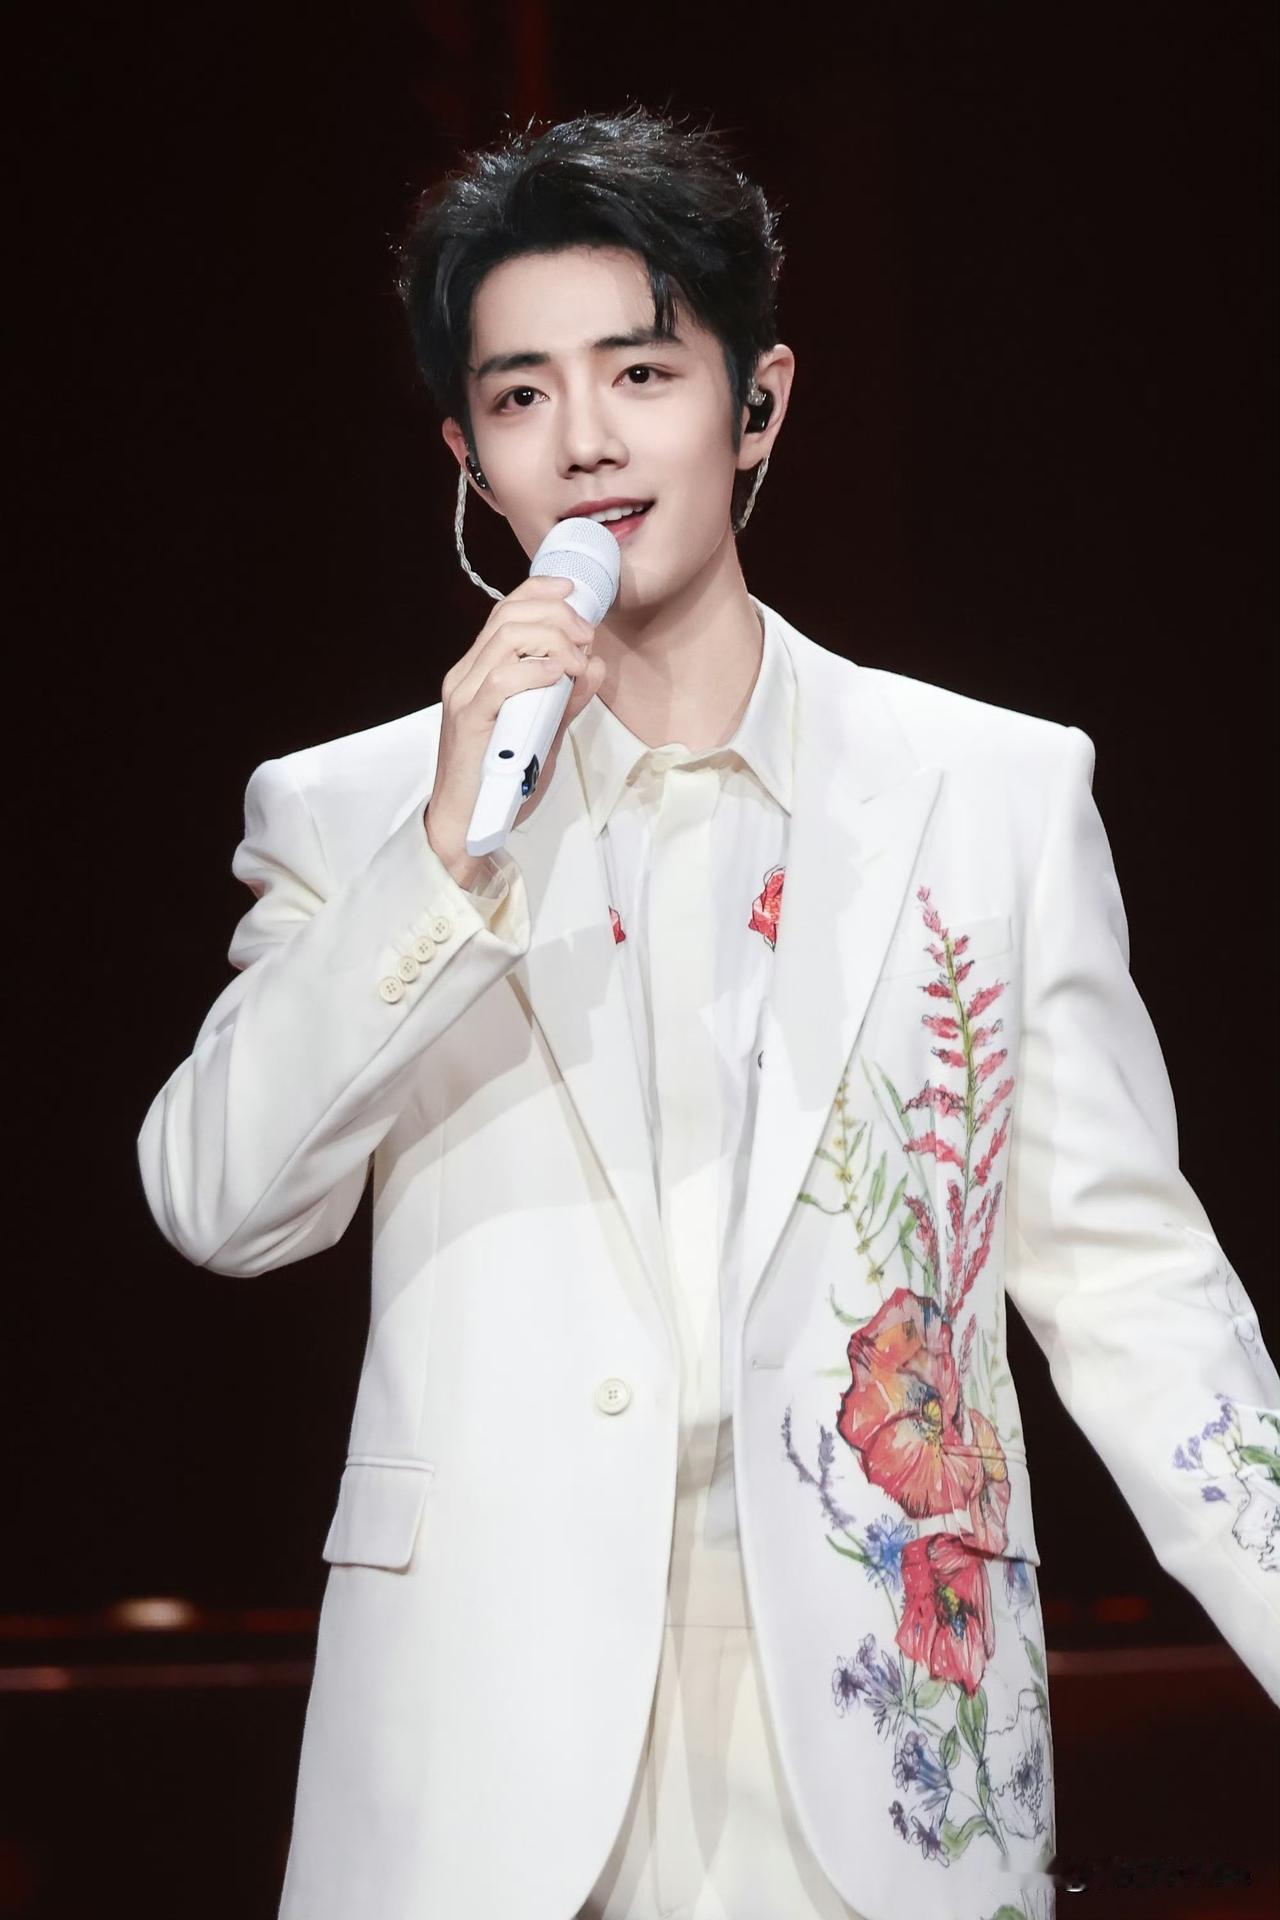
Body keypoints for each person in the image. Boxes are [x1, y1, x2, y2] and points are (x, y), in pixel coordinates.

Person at [137, 106, 1279, 1920]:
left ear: (757, 405)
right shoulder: (358, 816)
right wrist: (445, 858)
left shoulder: (988, 792)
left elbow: (1131, 1282)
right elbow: (221, 1200)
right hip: (481, 1767)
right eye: (522, 395)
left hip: (877, 1753)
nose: (588, 438)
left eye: (643, 372)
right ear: (466, 456)